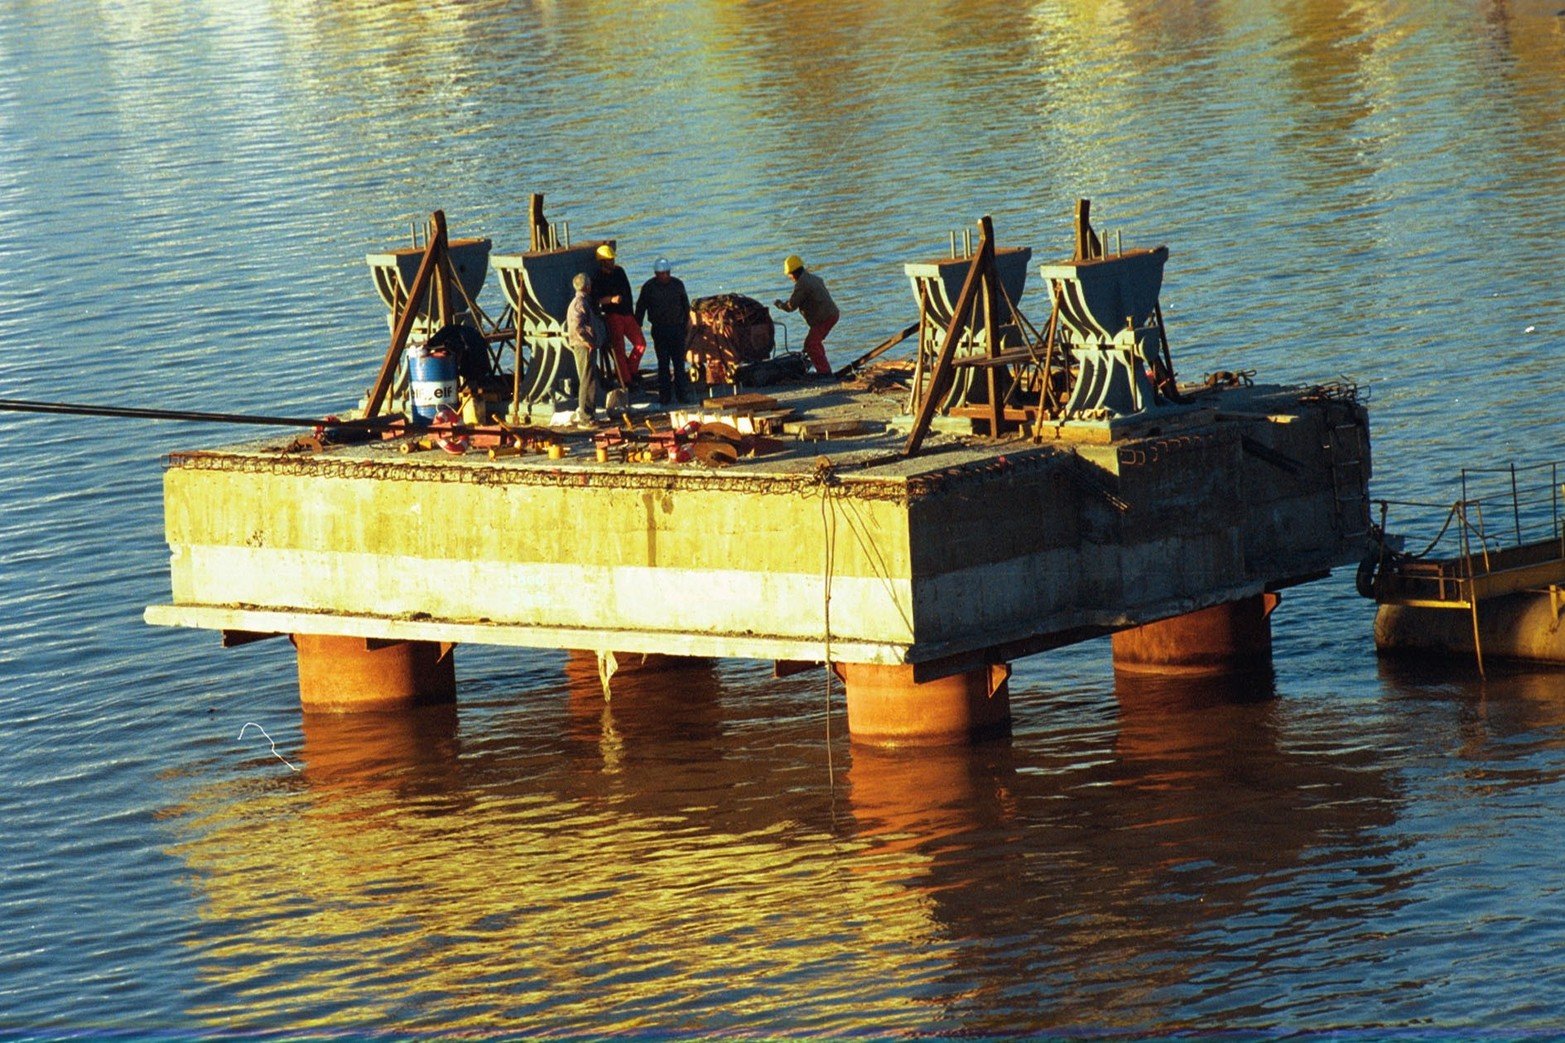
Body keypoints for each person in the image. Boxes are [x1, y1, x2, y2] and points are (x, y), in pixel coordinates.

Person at [634, 257, 694, 406]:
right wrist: (637, 326)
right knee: (663, 363)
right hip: (660, 329)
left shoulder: (678, 285)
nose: (665, 276)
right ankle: (665, 396)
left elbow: (685, 306)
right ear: (656, 273)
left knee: (679, 364)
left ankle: (682, 395)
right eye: (662, 273)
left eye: (667, 273)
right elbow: (641, 307)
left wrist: (687, 323)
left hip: (677, 328)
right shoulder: (649, 287)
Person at [591, 243, 647, 389]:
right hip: (613, 315)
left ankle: (630, 371)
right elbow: (596, 300)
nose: (612, 262)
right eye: (609, 259)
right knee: (619, 349)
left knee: (640, 344)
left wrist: (633, 314)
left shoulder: (620, 271)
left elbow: (628, 292)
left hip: (627, 313)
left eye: (612, 259)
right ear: (602, 261)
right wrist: (611, 299)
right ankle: (627, 380)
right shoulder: (598, 278)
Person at [774, 254, 838, 376]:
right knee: (815, 342)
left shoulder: (802, 285)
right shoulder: (813, 278)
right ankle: (825, 369)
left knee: (811, 344)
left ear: (793, 273)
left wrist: (780, 304)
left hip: (824, 318)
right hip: (831, 314)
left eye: (789, 274)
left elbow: (790, 307)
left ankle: (824, 373)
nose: (789, 277)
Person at [565, 271, 603, 425]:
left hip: (585, 345)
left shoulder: (582, 301)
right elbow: (577, 326)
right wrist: (588, 341)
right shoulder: (580, 303)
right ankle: (585, 418)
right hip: (583, 346)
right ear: (587, 286)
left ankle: (589, 414)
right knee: (586, 380)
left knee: (589, 378)